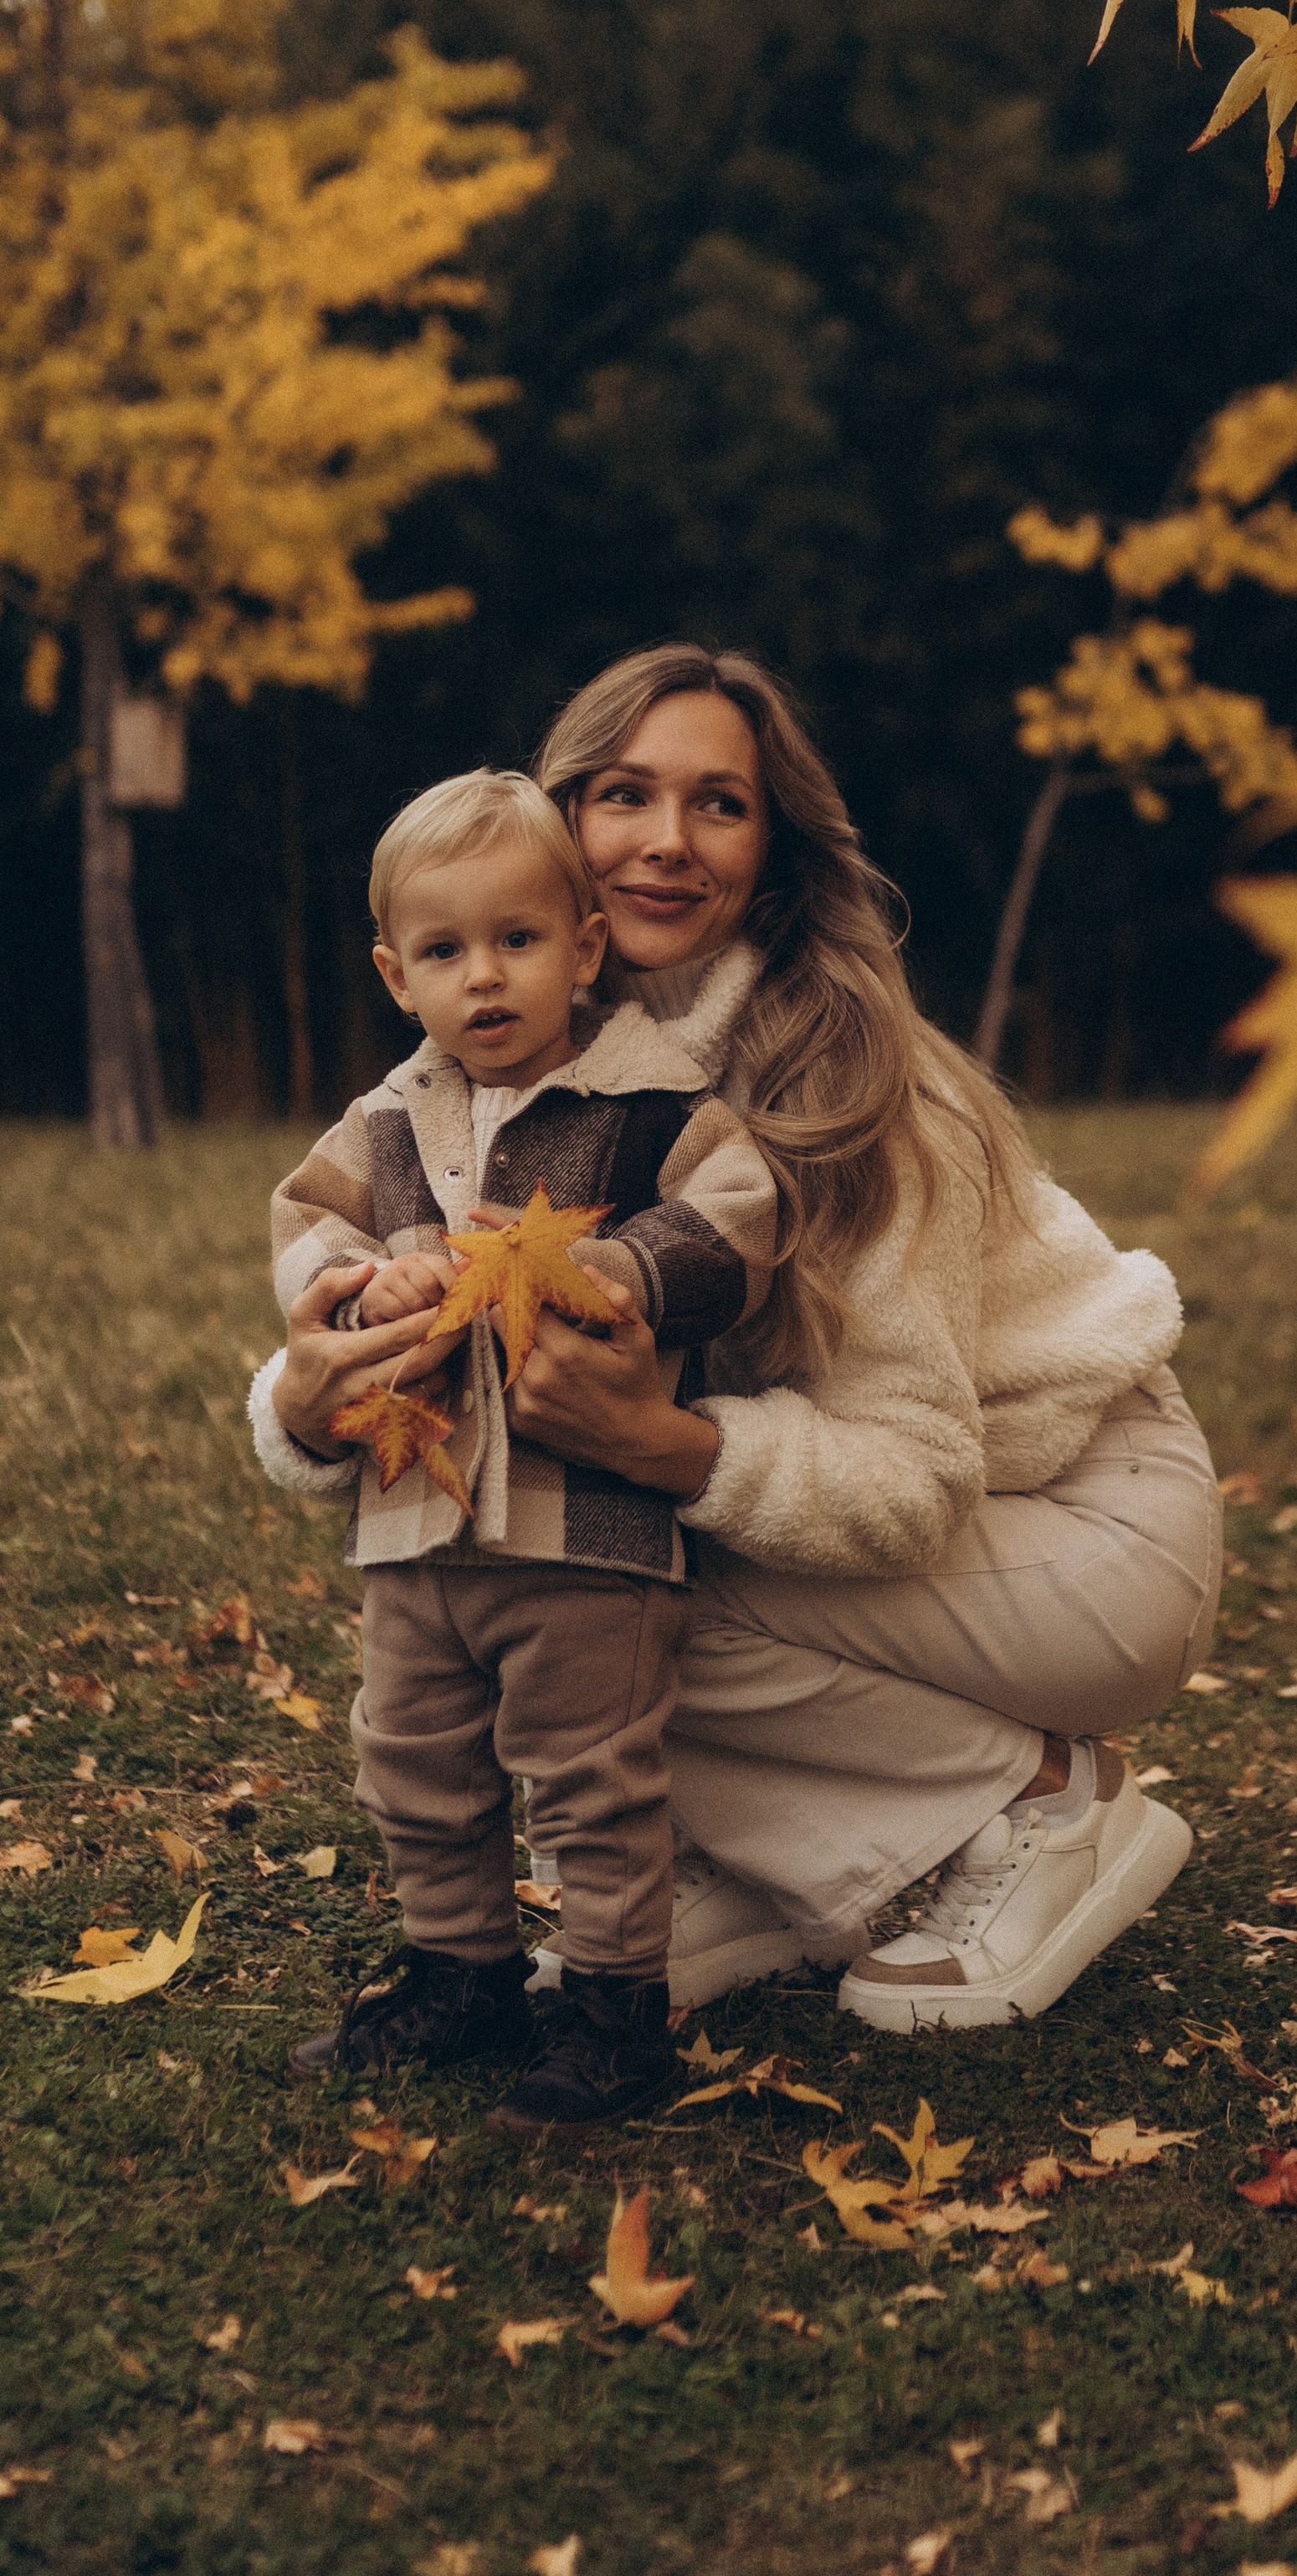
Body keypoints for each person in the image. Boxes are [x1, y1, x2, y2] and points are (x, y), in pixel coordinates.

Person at [260, 646, 1221, 2032]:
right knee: (554, 1571)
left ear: (771, 851)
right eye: (624, 795)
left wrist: (669, 1447)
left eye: (719, 803)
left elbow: (917, 1472)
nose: (664, 841)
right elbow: (408, 1281)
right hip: (911, 1514)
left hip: (1078, 1516)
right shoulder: (522, 1055)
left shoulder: (844, 1084)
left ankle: (1042, 1807)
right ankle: (742, 1864)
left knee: (610, 1571)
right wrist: (305, 1395)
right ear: (556, 821)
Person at [257, 767, 779, 2132]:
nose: (484, 979)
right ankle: (462, 1971)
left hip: (583, 1527)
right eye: (445, 951)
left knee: (593, 1773)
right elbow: (302, 1221)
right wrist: (358, 1281)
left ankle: (614, 2011)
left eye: (519, 940)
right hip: (412, 1521)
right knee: (412, 1755)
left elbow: (741, 1213)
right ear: (395, 972)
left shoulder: (649, 1100)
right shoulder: (386, 1120)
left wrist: (621, 1266)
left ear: (584, 947)